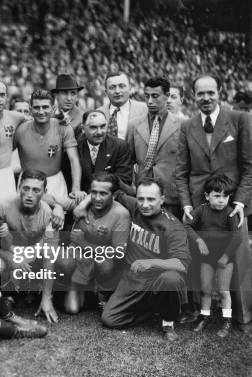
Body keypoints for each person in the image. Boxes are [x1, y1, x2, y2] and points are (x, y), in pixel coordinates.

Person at [175, 74, 252, 331]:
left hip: (231, 204)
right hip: (201, 204)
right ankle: (203, 313)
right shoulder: (187, 126)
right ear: (193, 96)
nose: (206, 98)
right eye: (200, 93)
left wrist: (240, 203)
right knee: (201, 258)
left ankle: (243, 318)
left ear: (220, 92)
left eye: (211, 92)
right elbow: (181, 171)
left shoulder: (240, 119)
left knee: (237, 257)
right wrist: (187, 205)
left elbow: (249, 168)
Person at [76, 178, 190, 341]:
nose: (144, 204)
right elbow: (110, 182)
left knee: (171, 278)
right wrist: (82, 204)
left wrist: (150, 262)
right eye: (141, 198)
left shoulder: (173, 227)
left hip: (158, 279)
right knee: (109, 319)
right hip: (132, 278)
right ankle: (152, 310)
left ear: (162, 200)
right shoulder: (134, 206)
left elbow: (181, 263)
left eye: (151, 199)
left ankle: (168, 322)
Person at [0, 170, 62, 323]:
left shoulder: (49, 214)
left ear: (44, 192)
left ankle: (35, 289)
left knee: (59, 260)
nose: (30, 194)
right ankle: (6, 293)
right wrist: (10, 258)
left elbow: (49, 258)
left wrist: (46, 298)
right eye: (26, 188)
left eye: (36, 190)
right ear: (19, 187)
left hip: (33, 251)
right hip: (8, 249)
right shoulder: (3, 205)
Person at [65, 173, 130, 314]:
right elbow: (52, 199)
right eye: (93, 193)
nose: (97, 198)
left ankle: (103, 293)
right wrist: (58, 208)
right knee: (71, 309)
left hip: (103, 260)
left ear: (113, 195)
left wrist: (84, 245)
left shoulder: (121, 214)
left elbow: (119, 253)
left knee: (103, 263)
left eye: (103, 194)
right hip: (82, 258)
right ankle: (76, 286)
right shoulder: (83, 207)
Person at [184, 175, 240, 338]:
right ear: (207, 196)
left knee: (223, 290)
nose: (221, 200)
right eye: (217, 196)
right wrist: (199, 240)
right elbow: (187, 226)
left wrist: (226, 256)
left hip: (225, 258)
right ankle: (204, 316)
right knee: (205, 288)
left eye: (225, 196)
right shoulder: (201, 210)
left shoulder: (230, 213)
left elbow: (237, 237)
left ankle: (226, 321)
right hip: (206, 258)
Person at [14, 89, 84, 210]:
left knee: (56, 222)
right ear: (30, 109)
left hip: (55, 181)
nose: (41, 112)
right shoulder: (20, 130)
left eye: (45, 107)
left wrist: (76, 188)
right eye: (37, 107)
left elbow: (74, 160)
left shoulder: (63, 128)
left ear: (53, 108)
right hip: (28, 184)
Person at [127, 77, 182, 217]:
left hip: (171, 196)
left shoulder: (182, 125)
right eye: (147, 96)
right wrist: (132, 187)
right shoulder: (134, 125)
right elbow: (127, 161)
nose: (150, 101)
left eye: (155, 96)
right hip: (142, 195)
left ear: (167, 96)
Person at [77, 110, 132, 193]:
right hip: (81, 197)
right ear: (83, 129)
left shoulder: (120, 147)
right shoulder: (75, 147)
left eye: (103, 126)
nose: (99, 132)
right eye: (93, 127)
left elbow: (123, 181)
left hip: (111, 197)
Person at [98, 71, 148, 140]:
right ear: (106, 92)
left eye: (122, 86)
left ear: (130, 88)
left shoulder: (145, 110)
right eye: (112, 87)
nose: (117, 91)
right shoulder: (99, 113)